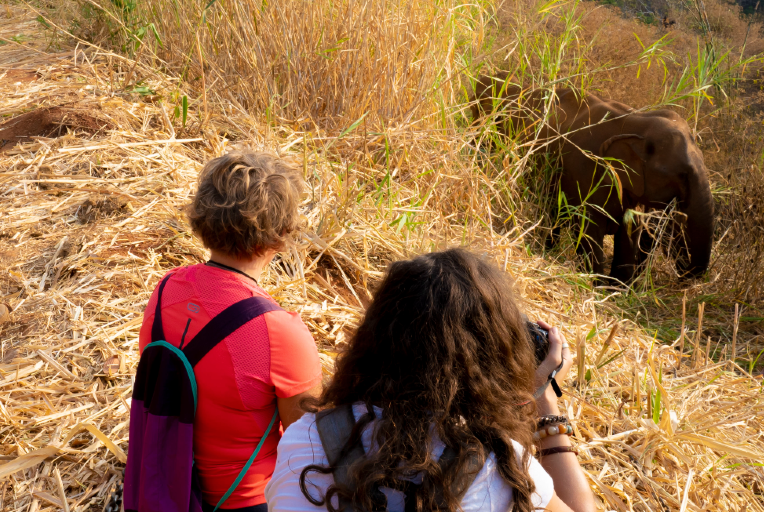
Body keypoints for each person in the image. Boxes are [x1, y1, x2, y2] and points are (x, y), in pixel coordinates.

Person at [265, 249, 595, 512]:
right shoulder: (499, 468)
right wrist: (544, 399)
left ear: (373, 339)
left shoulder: (304, 441)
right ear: (490, 364)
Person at [133, 151, 323, 512]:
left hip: (165, 484)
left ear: (202, 218)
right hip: (244, 500)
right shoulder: (281, 333)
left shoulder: (165, 290)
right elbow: (306, 446)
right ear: (281, 237)